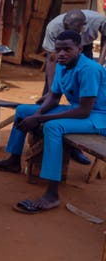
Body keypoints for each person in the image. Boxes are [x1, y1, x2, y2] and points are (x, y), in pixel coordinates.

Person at [0, 30, 106, 213]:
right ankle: (14, 160)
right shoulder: (62, 64)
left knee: (53, 127)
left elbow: (83, 111)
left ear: (79, 49)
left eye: (67, 49)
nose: (62, 53)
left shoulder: (89, 69)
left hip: (98, 116)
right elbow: (54, 97)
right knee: (23, 111)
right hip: (80, 110)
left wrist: (40, 118)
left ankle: (52, 194)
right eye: (59, 49)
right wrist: (35, 115)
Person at [39, 9, 106, 164]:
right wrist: (50, 91)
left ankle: (75, 149)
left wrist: (99, 65)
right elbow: (52, 59)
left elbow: (105, 41)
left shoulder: (98, 21)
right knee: (50, 97)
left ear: (84, 26)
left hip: (82, 49)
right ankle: (44, 141)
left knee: (85, 90)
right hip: (67, 48)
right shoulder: (53, 28)